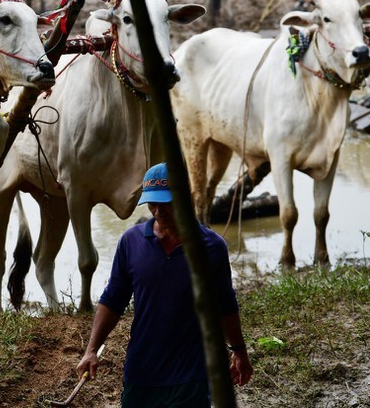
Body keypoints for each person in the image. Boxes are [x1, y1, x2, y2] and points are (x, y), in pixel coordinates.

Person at [76, 162, 253, 407]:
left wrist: (239, 351)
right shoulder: (131, 242)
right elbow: (113, 299)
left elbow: (225, 304)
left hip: (191, 375)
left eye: (166, 203)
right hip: (141, 372)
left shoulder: (212, 247)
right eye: (152, 203)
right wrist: (91, 349)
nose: (158, 211)